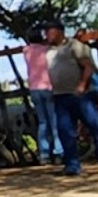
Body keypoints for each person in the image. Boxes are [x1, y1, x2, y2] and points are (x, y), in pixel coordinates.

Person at [43, 19, 98, 177]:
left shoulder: (74, 45)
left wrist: (82, 84)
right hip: (60, 95)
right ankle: (72, 166)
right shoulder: (49, 51)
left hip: (80, 95)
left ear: (60, 31)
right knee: (65, 131)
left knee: (94, 124)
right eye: (46, 32)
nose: (47, 35)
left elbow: (87, 66)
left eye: (50, 31)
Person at [22, 24, 62, 165]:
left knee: (43, 122)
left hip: (34, 89)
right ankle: (58, 152)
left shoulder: (26, 51)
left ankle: (44, 153)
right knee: (54, 121)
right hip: (48, 87)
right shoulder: (47, 50)